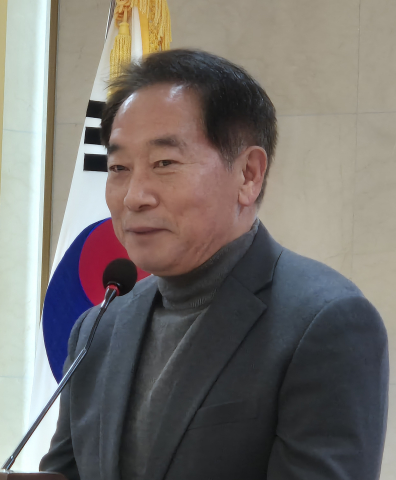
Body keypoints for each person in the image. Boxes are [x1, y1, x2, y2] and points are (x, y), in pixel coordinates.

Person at [39, 49, 389, 480]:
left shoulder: (325, 323)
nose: (134, 196)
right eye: (119, 167)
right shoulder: (98, 328)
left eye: (164, 163)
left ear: (248, 175)